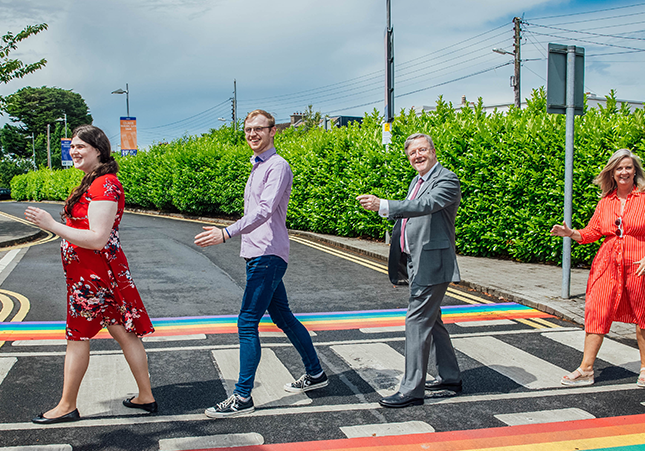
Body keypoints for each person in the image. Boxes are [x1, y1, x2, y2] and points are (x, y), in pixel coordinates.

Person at [196, 109, 327, 418]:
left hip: (268, 255)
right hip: (259, 253)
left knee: (247, 321)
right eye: (248, 130)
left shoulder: (277, 166)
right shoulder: (257, 166)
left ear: (273, 132)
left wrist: (226, 232)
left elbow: (266, 210)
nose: (252, 134)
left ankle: (243, 398)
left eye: (258, 129)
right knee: (283, 317)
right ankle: (316, 374)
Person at [24, 125, 157, 424]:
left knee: (77, 338)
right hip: (96, 274)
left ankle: (67, 405)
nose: (74, 151)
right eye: (72, 146)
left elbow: (97, 238)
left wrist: (51, 224)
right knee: (124, 332)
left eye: (80, 146)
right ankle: (145, 396)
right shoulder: (94, 181)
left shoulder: (104, 185)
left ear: (98, 149)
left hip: (93, 279)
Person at [550, 148, 645, 388]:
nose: (624, 172)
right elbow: (592, 232)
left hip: (641, 265)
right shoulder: (606, 201)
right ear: (612, 173)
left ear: (635, 170)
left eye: (628, 167)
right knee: (596, 311)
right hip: (607, 265)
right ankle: (586, 369)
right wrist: (570, 233)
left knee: (643, 314)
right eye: (619, 168)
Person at [357, 133, 463, 408]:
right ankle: (450, 376)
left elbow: (425, 206)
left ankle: (411, 389)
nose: (417, 156)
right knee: (433, 321)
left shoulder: (446, 180)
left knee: (416, 321)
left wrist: (385, 206)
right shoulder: (417, 181)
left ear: (433, 150)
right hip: (416, 261)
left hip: (433, 262)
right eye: (412, 153)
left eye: (422, 150)